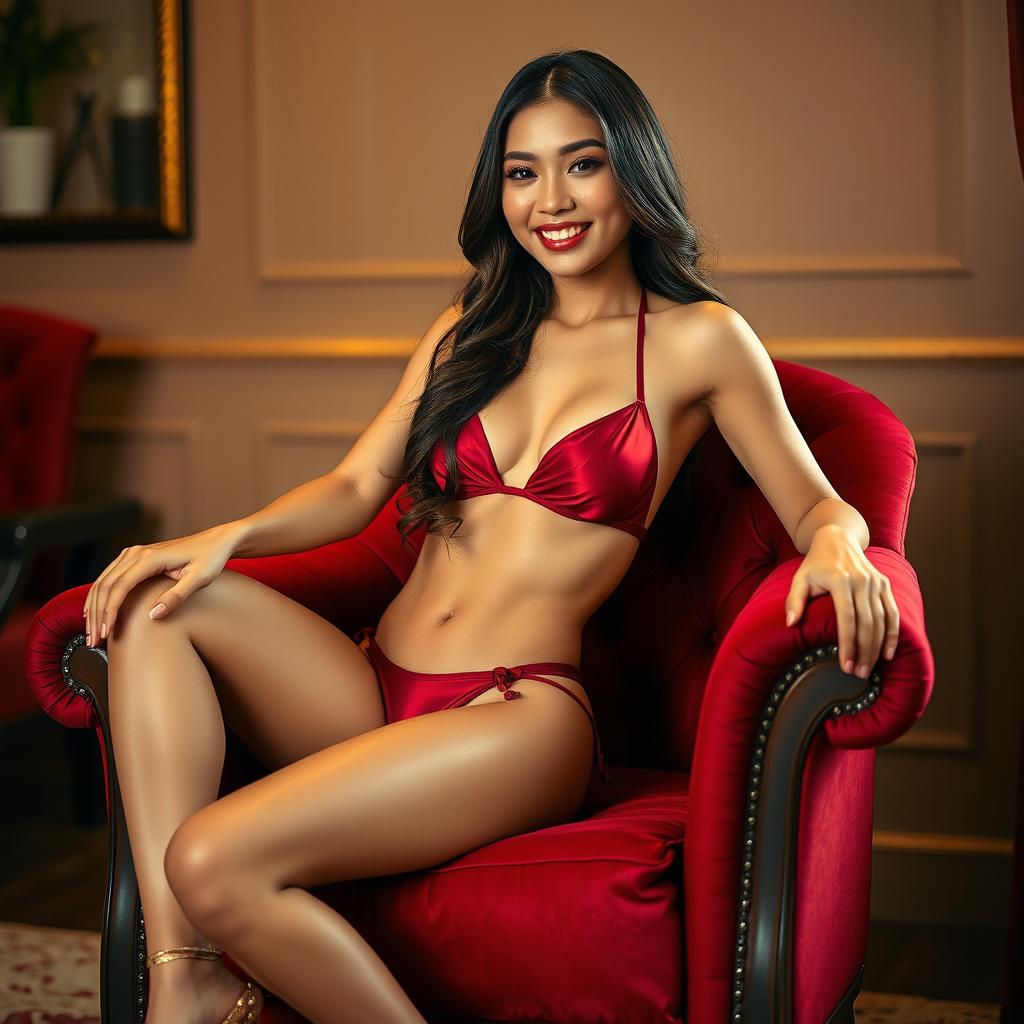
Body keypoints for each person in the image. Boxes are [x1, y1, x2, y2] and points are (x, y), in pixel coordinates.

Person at [82, 48, 900, 1024]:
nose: (549, 197)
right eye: (521, 171)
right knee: (147, 605)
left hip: (514, 715)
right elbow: (353, 485)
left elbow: (817, 500)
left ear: (631, 172)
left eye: (581, 162)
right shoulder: (470, 327)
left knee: (211, 856)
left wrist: (839, 543)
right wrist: (226, 537)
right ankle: (186, 979)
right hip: (371, 682)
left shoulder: (696, 340)